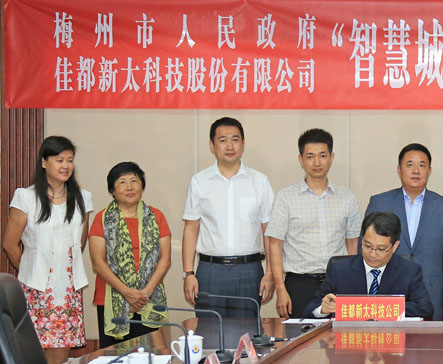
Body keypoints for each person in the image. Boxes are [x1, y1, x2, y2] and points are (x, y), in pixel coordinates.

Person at [2, 136, 92, 364]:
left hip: (68, 288)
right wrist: (32, 270)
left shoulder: (82, 198)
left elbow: (80, 243)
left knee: (60, 358)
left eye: (70, 160)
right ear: (44, 162)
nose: (66, 166)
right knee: (32, 356)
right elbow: (10, 243)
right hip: (36, 287)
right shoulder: (26, 197)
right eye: (59, 160)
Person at [182, 117, 275, 318]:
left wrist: (270, 273)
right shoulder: (199, 182)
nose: (230, 146)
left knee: (248, 332)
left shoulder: (259, 182)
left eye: (235, 139)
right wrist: (189, 273)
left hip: (249, 270)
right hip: (210, 271)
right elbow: (191, 228)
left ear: (243, 143)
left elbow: (269, 231)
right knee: (208, 331)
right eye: (223, 140)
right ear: (212, 145)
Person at [266, 128, 362, 319]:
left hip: (337, 283)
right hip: (299, 284)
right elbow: (275, 245)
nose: (317, 162)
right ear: (301, 159)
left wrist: (352, 283)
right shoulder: (286, 197)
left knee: (338, 336)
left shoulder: (346, 197)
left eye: (323, 156)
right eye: (310, 157)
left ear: (331, 157)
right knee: (298, 335)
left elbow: (353, 243)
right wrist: (280, 289)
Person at [364, 143, 443, 320]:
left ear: (429, 170)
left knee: (430, 338)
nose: (416, 170)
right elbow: (364, 250)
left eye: (422, 165)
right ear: (399, 169)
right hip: (386, 293)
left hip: (431, 295)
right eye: (410, 165)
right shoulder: (379, 203)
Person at [88, 162, 171, 347]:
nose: (129, 187)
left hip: (149, 298)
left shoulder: (156, 216)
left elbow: (165, 260)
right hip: (112, 298)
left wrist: (144, 294)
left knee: (154, 355)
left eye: (134, 180)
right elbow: (98, 262)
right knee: (114, 357)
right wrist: (127, 292)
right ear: (112, 190)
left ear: (142, 185)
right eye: (122, 182)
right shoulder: (102, 219)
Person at [304, 212, 432, 319]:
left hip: (391, 339)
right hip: (350, 339)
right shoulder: (340, 270)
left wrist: (374, 308)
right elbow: (310, 310)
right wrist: (323, 309)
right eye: (367, 246)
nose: (372, 254)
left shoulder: (409, 271)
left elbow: (425, 308)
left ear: (395, 246)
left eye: (380, 249)